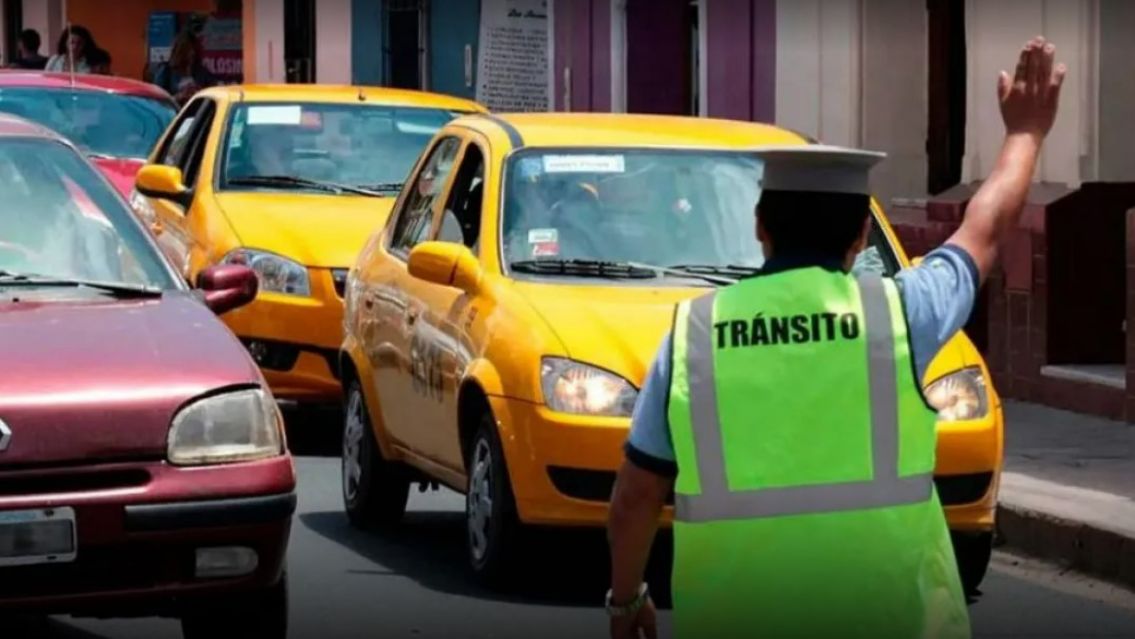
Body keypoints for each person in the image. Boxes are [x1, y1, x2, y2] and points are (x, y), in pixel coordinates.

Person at [604, 36, 1066, 639]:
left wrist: (624, 599)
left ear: (760, 226)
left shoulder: (692, 335)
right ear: (858, 240)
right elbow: (984, 229)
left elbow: (635, 498)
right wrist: (1025, 133)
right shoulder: (902, 312)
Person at [153, 31, 217, 105]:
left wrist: (200, 92)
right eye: (189, 52)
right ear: (181, 52)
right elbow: (156, 101)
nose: (192, 55)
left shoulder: (200, 71)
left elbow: (213, 88)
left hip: (197, 114)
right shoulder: (166, 71)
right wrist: (179, 96)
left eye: (194, 51)